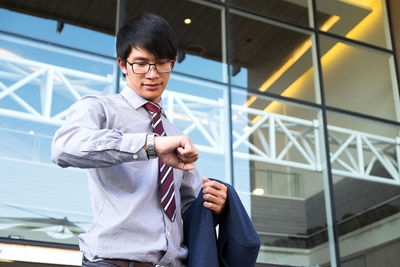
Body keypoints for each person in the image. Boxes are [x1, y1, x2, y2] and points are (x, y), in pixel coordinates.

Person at [51, 12, 228, 267]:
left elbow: (187, 206)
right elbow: (63, 148)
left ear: (173, 63)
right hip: (112, 261)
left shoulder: (175, 133)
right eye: (141, 63)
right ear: (123, 64)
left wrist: (215, 205)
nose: (152, 74)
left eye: (161, 63)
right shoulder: (100, 109)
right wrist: (149, 146)